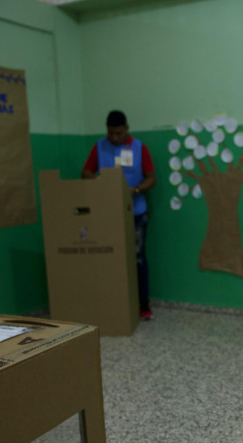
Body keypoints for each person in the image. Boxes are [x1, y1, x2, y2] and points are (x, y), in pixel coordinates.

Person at [82, 110, 157, 320]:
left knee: (137, 258)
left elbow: (152, 178)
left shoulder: (140, 148)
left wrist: (136, 190)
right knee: (109, 257)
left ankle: (143, 305)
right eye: (110, 133)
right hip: (107, 213)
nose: (114, 138)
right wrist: (100, 183)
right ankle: (113, 303)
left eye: (118, 133)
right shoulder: (99, 146)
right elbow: (85, 172)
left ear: (127, 129)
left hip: (136, 213)